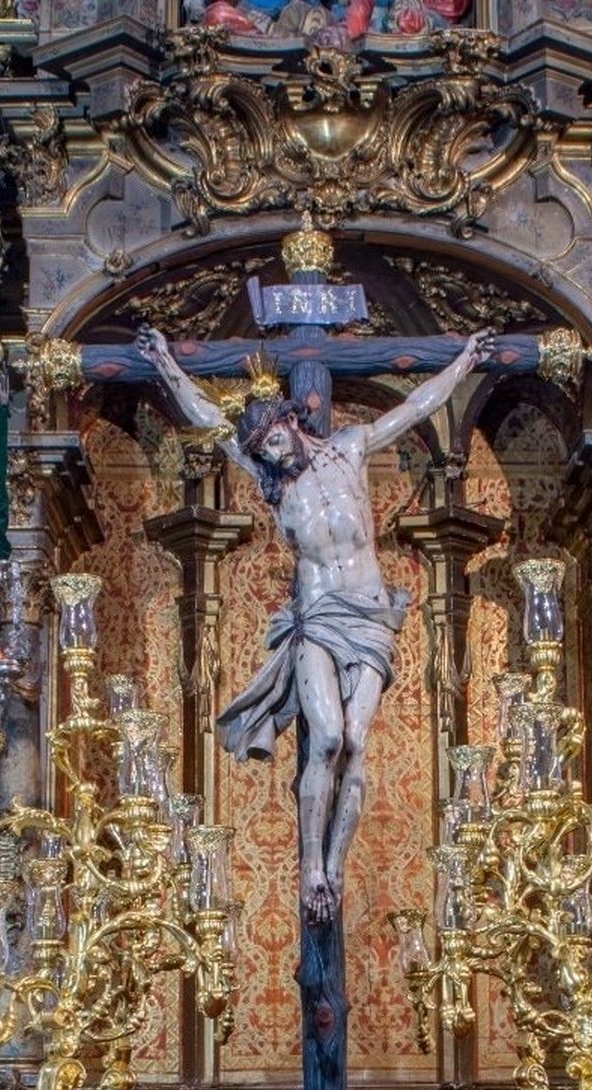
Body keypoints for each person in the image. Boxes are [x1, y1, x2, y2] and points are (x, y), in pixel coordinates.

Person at [136, 324, 493, 924]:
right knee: (324, 738)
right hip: (318, 618)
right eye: (263, 451)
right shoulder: (275, 488)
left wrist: (463, 362)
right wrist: (168, 364)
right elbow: (210, 419)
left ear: (289, 421)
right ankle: (312, 871)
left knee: (355, 744)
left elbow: (413, 407)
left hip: (372, 616)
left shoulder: (351, 447)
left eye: (274, 439)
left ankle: (334, 865)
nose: (272, 454)